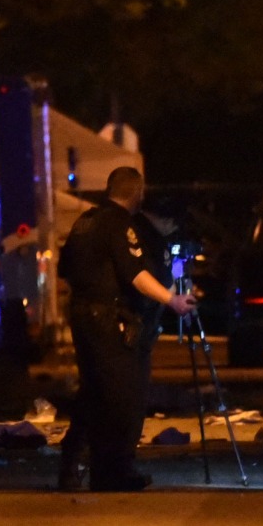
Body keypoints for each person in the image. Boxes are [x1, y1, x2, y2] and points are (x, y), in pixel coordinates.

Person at [57, 166, 195, 492]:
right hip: (109, 319)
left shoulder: (84, 221)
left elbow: (66, 269)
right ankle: (111, 473)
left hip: (81, 314)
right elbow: (135, 274)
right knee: (121, 396)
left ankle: (72, 465)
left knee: (93, 392)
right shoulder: (120, 225)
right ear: (137, 192)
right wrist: (172, 300)